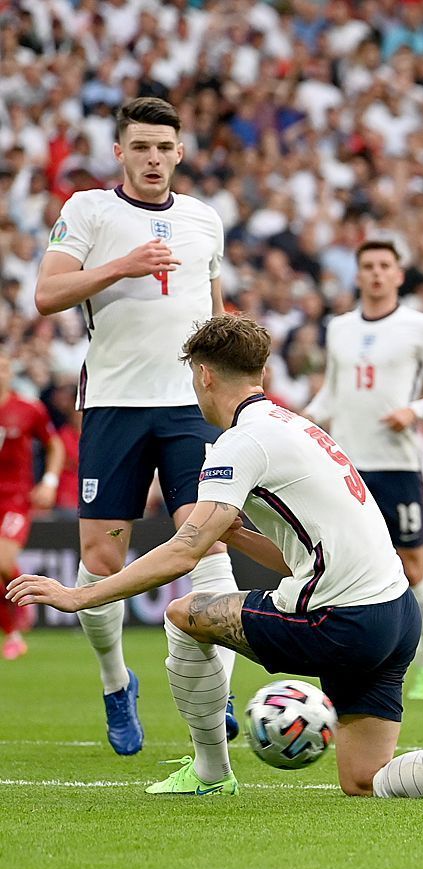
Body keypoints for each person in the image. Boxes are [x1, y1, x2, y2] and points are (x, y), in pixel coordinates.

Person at [7, 315, 423, 801]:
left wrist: (78, 596)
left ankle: (210, 773)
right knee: (366, 781)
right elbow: (301, 556)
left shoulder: (241, 441)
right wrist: (237, 537)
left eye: (193, 376)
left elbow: (186, 549)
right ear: (260, 373)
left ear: (204, 376)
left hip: (340, 623)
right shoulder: (294, 425)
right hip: (393, 614)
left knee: (185, 613)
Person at [33, 97, 242, 755]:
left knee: (209, 545)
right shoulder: (89, 210)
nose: (153, 159)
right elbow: (46, 295)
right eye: (141, 147)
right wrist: (122, 266)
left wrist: (240, 388)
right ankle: (115, 683)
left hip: (191, 408)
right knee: (101, 561)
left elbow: (216, 314)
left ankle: (216, 689)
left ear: (180, 152)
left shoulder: (204, 219)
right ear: (120, 152)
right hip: (115, 406)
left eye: (164, 147)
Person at [304, 240, 423, 701]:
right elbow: (332, 391)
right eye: (367, 266)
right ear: (358, 273)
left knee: (413, 566)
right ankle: (347, 666)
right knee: (342, 563)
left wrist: (415, 411)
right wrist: (302, 417)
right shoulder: (340, 328)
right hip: (347, 466)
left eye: (385, 266)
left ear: (399, 275)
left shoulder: (420, 327)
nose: (376, 274)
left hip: (398, 464)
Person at [0, 349, 65, 660]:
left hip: (14, 498)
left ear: (10, 373)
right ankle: (12, 634)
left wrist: (50, 481)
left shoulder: (28, 409)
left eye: (2, 368)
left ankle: (24, 602)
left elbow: (55, 446)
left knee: (2, 561)